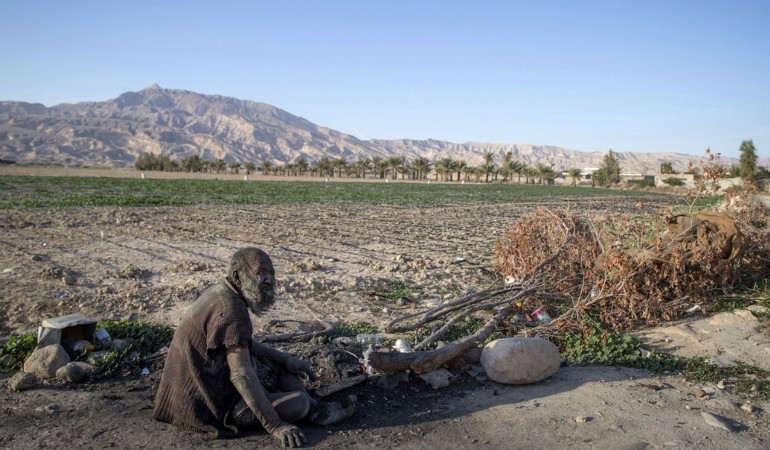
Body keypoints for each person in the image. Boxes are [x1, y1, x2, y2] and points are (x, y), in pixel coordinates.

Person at [154, 247, 355, 448]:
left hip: (180, 399)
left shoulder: (221, 292)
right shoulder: (231, 310)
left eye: (272, 273)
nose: (269, 280)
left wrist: (285, 359)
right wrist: (275, 426)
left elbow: (241, 343)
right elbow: (241, 375)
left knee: (280, 366)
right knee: (298, 403)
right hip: (204, 408)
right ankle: (311, 408)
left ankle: (316, 408)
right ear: (238, 277)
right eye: (261, 272)